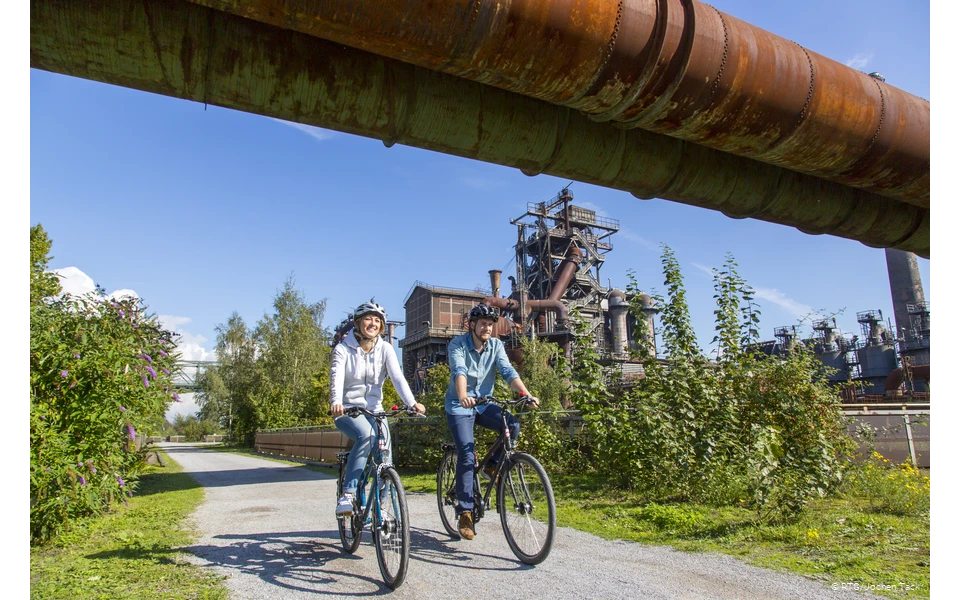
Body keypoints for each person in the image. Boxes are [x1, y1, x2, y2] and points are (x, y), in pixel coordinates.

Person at [444, 303, 539, 540]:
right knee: (467, 453)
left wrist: (525, 394)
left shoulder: (496, 345)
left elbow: (508, 372)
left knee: (512, 424)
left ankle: (491, 466)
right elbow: (459, 371)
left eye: (490, 324)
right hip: (460, 406)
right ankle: (465, 511)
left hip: (484, 404)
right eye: (483, 323)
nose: (487, 328)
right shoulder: (458, 344)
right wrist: (463, 395)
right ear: (472, 325)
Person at [330, 300, 426, 516]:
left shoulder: (385, 349)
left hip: (376, 410)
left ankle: (381, 509)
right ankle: (349, 493)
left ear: (382, 326)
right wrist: (336, 402)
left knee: (386, 457)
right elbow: (336, 377)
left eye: (377, 320)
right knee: (367, 435)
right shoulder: (343, 349)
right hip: (347, 410)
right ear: (358, 323)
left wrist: (411, 403)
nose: (372, 323)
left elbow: (397, 377)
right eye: (368, 319)